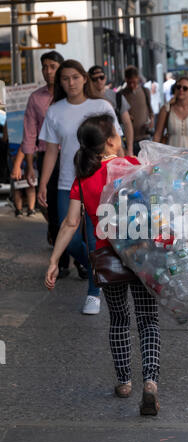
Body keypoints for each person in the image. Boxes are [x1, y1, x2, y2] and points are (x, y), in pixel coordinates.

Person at [45, 114, 161, 416]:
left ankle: (124, 382)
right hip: (141, 256)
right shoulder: (134, 168)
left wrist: (54, 260)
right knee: (147, 320)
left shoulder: (84, 179)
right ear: (111, 140)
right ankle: (150, 382)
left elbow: (71, 223)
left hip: (107, 261)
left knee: (120, 320)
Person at [38, 59, 123, 315]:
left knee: (96, 238)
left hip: (101, 182)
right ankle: (95, 264)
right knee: (71, 238)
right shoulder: (55, 111)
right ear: (59, 83)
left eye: (75, 77)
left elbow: (116, 143)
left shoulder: (101, 106)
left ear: (84, 78)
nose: (70, 83)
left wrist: (124, 175)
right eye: (65, 79)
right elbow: (51, 151)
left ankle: (93, 293)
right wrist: (43, 183)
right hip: (68, 182)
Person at [20, 50, 71, 278]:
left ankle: (79, 256)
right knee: (51, 207)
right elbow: (29, 133)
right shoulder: (36, 98)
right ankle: (61, 260)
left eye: (52, 66)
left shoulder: (70, 95)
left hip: (72, 157)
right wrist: (29, 165)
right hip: (46, 157)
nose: (48, 71)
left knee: (74, 205)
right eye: (44, 67)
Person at [88, 65, 134, 156]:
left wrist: (129, 150)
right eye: (95, 79)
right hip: (94, 149)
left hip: (116, 146)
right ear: (89, 81)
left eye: (101, 77)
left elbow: (127, 123)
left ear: (105, 78)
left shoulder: (117, 97)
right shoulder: (86, 100)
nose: (99, 81)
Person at [120, 65, 154, 155]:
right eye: (129, 82)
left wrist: (151, 122)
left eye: (134, 82)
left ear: (138, 79)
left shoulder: (145, 91)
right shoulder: (121, 94)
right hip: (128, 140)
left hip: (144, 137)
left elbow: (150, 111)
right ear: (126, 80)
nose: (131, 85)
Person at [10, 148, 36, 217]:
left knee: (29, 185)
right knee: (18, 185)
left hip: (29, 154)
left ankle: (29, 209)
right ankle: (20, 209)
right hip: (17, 155)